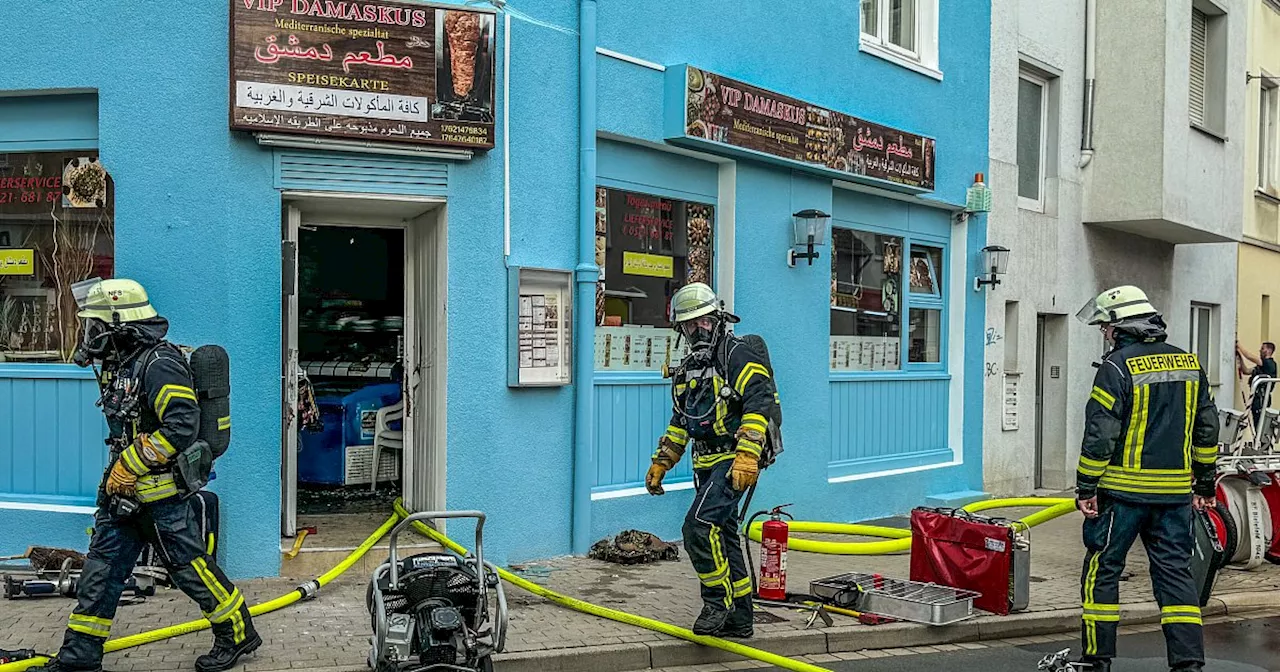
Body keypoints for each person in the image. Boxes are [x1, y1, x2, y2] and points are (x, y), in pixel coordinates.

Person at [33, 279, 259, 672]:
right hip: (123, 497)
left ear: (119, 325)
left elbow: (182, 425)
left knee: (190, 570)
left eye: (96, 325)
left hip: (160, 496)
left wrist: (129, 464)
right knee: (100, 574)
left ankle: (238, 633)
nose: (91, 334)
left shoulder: (160, 364)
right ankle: (79, 657)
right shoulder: (121, 363)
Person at [1073, 286, 1220, 672]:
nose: (1104, 333)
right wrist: (1204, 485)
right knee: (1175, 575)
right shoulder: (1190, 364)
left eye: (1106, 326)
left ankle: (1097, 660)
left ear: (1122, 326)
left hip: (1120, 495)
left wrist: (1086, 487)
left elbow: (1101, 435)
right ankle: (1188, 664)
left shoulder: (1117, 367)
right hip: (1173, 497)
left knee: (1103, 570)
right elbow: (1207, 430)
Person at [644, 283, 781, 638]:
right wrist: (663, 461)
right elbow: (681, 420)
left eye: (704, 321)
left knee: (698, 526)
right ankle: (740, 617)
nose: (699, 330)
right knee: (724, 533)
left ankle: (716, 601)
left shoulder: (737, 355)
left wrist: (748, 454)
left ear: (718, 319)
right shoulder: (688, 368)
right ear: (682, 331)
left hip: (735, 460)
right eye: (691, 326)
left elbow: (759, 399)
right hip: (705, 462)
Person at [1235, 340, 1277, 427]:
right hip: (1256, 400)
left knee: (1260, 425)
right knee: (1256, 424)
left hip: (1262, 400)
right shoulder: (1261, 366)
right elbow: (1246, 371)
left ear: (1268, 351)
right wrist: (1240, 358)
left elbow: (1249, 356)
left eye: (1262, 349)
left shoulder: (1269, 364)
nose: (1260, 350)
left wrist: (1238, 346)